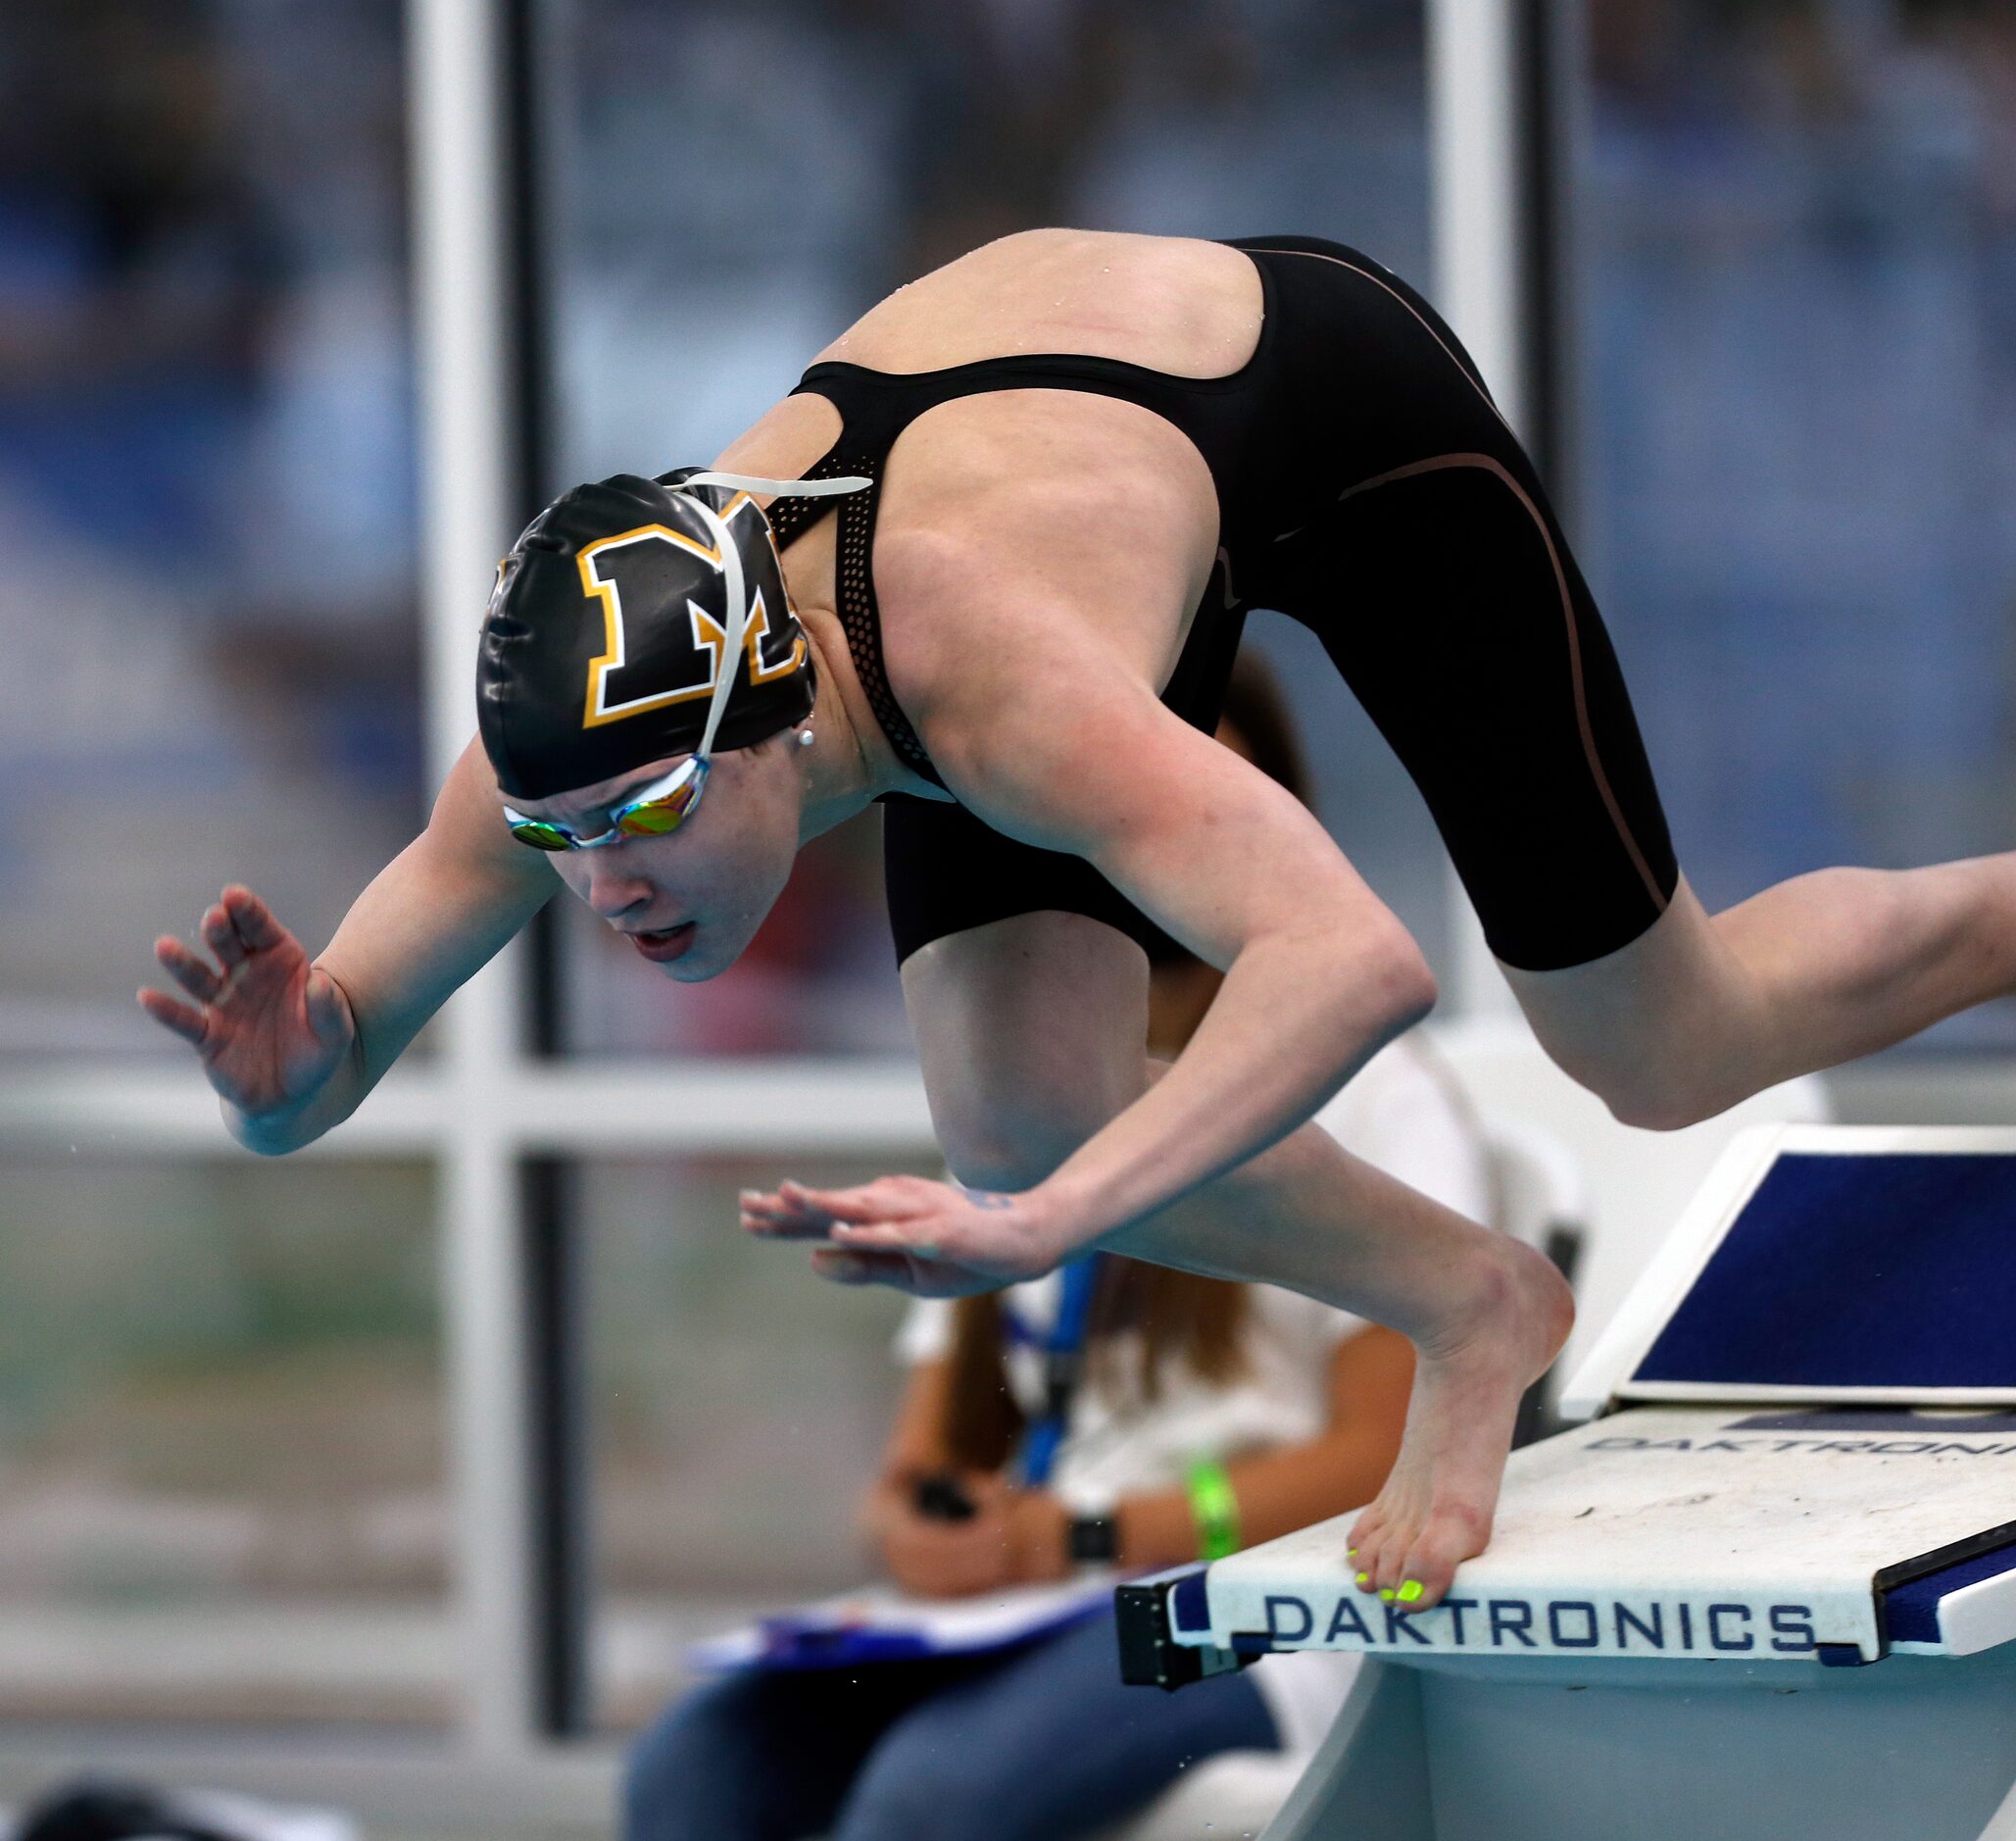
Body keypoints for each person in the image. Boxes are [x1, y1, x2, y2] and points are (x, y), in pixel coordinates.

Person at [138, 228, 2016, 1611]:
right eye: (558, 836)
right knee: (1022, 1102)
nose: (605, 879)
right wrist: (290, 1074)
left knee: (1659, 1045)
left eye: (647, 814)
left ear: (777, 708)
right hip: (1023, 477)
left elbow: (1359, 960)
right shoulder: (570, 742)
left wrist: (1045, 1226)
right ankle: (1479, 1297)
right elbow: (323, 1078)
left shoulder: (980, 678)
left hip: (1316, 410)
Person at [622, 660, 1495, 1841]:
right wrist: (922, 1538)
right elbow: (916, 1469)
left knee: (928, 1798)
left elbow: (1383, 1461)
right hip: (1028, 1609)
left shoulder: (1374, 1100)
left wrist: (1089, 1538)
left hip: (1241, 1610)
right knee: (692, 1774)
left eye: (1198, 796)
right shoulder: (1017, 1092)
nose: (1148, 841)